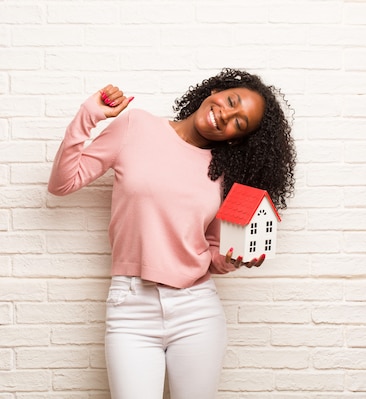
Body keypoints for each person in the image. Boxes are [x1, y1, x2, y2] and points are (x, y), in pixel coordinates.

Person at [47, 68, 296, 399]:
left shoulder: (223, 174)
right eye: (231, 101)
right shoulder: (136, 126)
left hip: (196, 310)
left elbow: (211, 253)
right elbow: (63, 183)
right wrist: (88, 117)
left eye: (239, 123)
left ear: (237, 138)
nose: (227, 115)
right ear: (215, 91)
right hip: (131, 306)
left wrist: (235, 258)